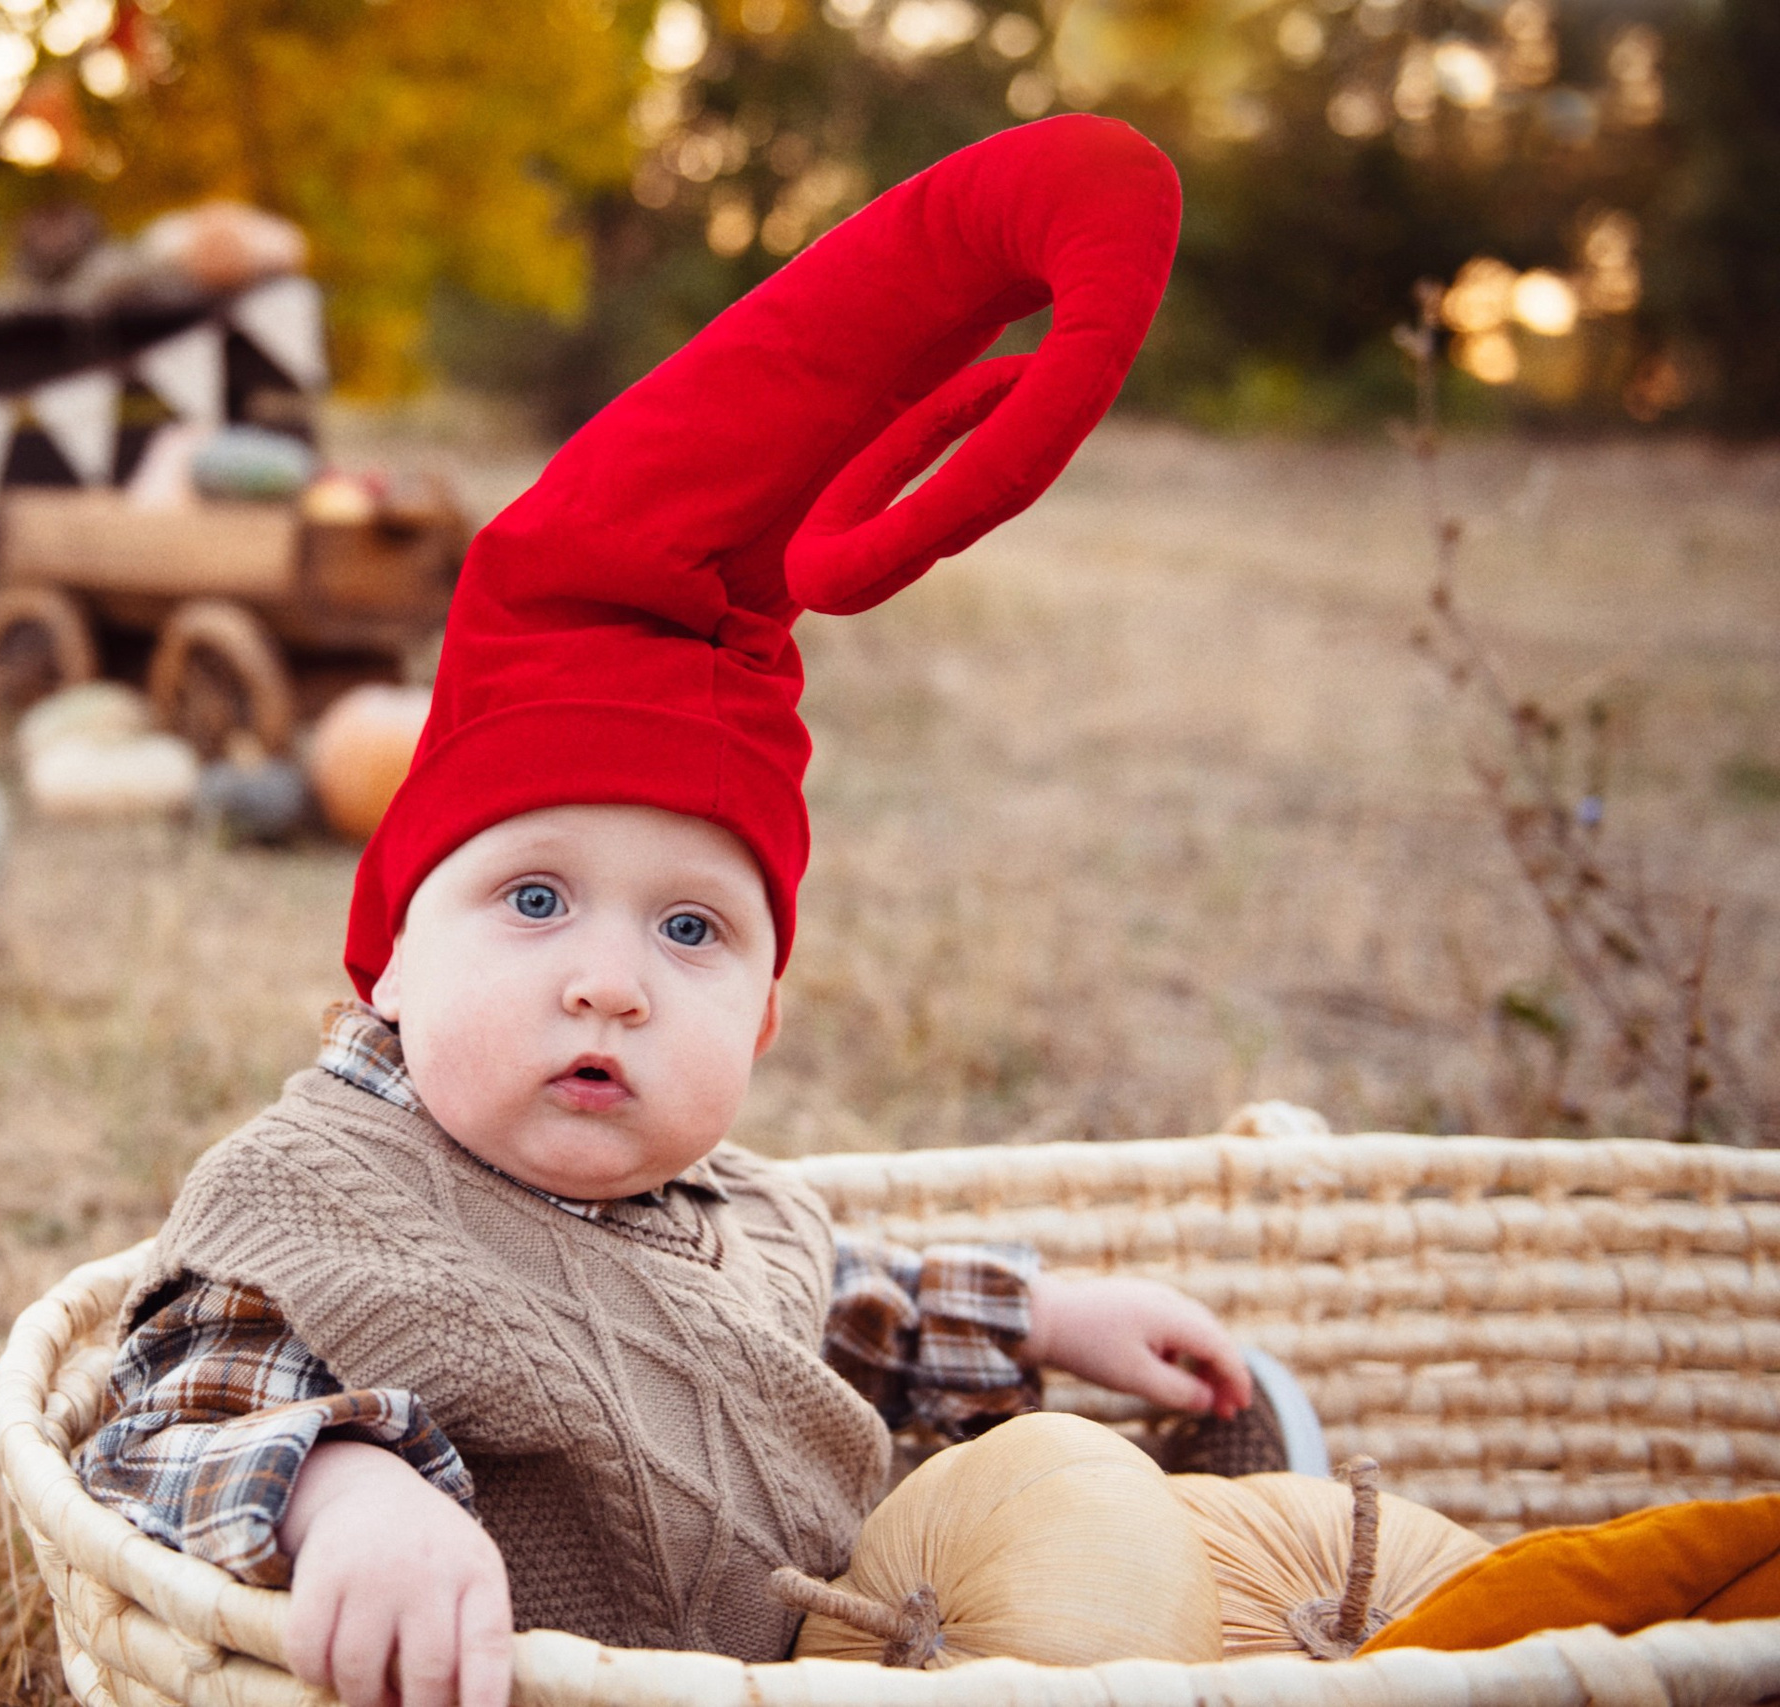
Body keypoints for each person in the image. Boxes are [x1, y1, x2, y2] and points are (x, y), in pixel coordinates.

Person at [77, 113, 1259, 1707]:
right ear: (392, 958)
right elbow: (172, 1415)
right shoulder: (320, 1198)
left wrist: (1054, 1313)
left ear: (766, 1014)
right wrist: (345, 1494)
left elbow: (855, 1310)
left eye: (692, 931)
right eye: (537, 898)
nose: (611, 983)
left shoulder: (729, 1215)